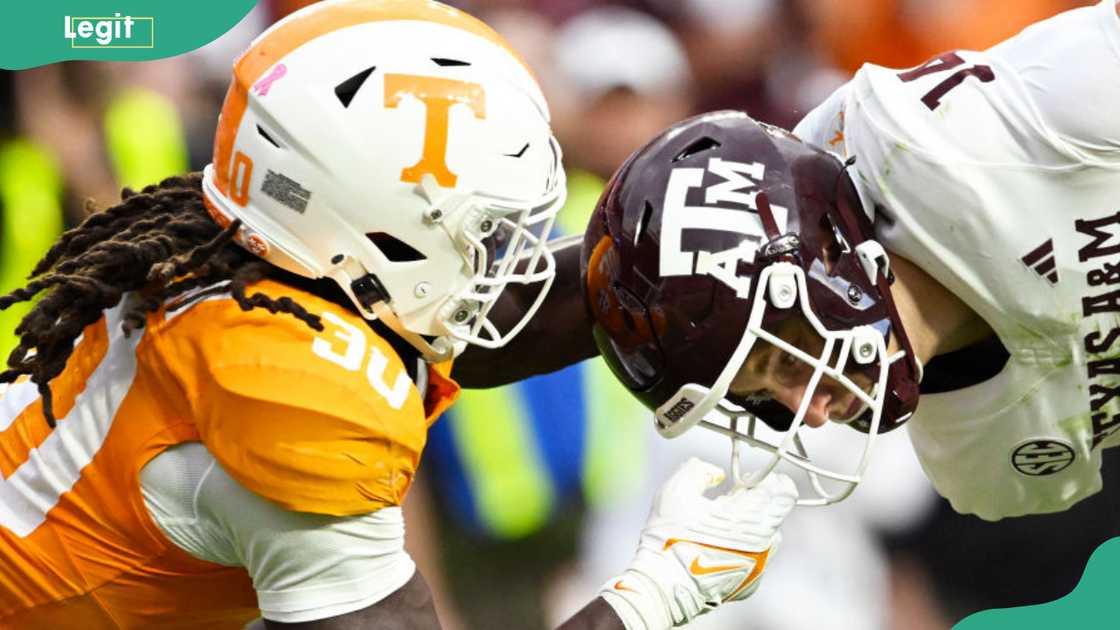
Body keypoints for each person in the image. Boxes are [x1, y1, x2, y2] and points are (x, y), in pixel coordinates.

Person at [0, 1, 799, 629]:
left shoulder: (270, 262)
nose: (506, 258)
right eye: (487, 231)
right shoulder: (291, 396)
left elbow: (503, 312)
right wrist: (657, 594)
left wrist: (675, 253)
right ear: (377, 226)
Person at [468, 0, 1120, 524]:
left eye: (781, 359)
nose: (807, 411)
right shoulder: (986, 456)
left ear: (825, 256)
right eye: (764, 399)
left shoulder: (994, 134)